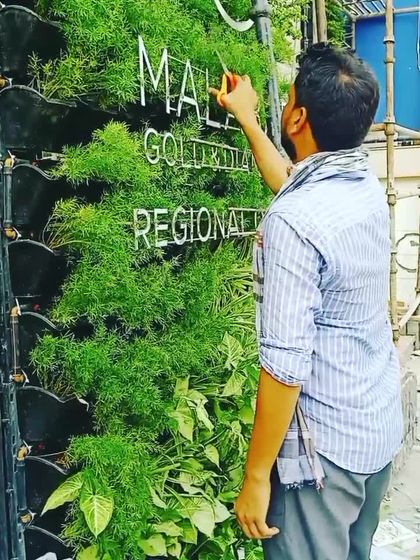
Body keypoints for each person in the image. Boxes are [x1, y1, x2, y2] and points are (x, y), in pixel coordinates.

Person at [209, 43, 403, 560]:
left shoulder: (295, 222)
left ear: (297, 118)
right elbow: (294, 187)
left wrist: (256, 477)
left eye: (290, 98)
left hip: (323, 463)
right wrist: (249, 120)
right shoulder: (361, 183)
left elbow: (285, 367)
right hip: (375, 432)